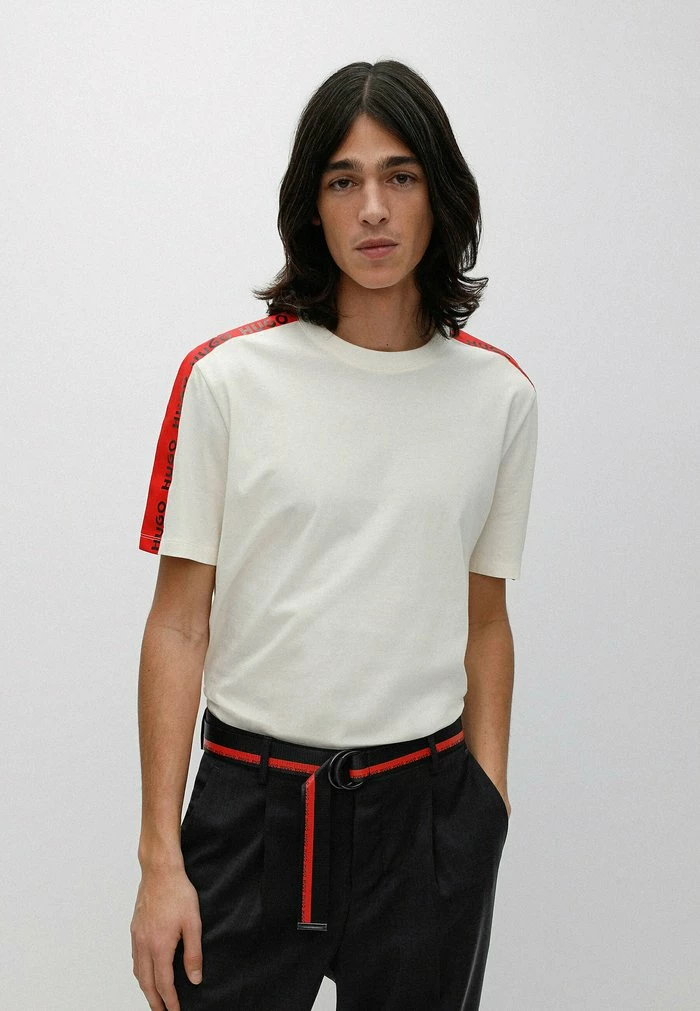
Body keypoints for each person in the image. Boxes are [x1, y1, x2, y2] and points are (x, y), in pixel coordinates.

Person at [130, 58, 538, 1011]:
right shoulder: (227, 381)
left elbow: (486, 619)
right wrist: (159, 857)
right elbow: (179, 623)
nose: (374, 210)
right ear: (311, 206)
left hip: (426, 820)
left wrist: (486, 806)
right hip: (250, 811)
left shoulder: (500, 397)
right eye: (343, 181)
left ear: (440, 193)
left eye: (401, 176)